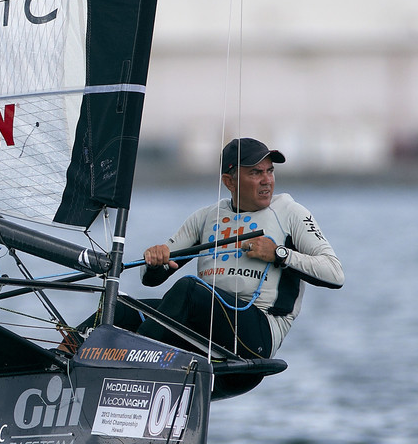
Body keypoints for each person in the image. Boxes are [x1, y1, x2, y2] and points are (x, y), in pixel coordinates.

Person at [132, 137, 344, 361]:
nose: (267, 181)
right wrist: (155, 259)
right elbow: (150, 278)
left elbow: (335, 274)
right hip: (208, 325)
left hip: (258, 334)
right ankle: (94, 361)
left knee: (189, 288)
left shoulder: (291, 213)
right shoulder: (206, 217)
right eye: (255, 173)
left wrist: (279, 254)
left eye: (269, 171)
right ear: (229, 182)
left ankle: (137, 359)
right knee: (123, 308)